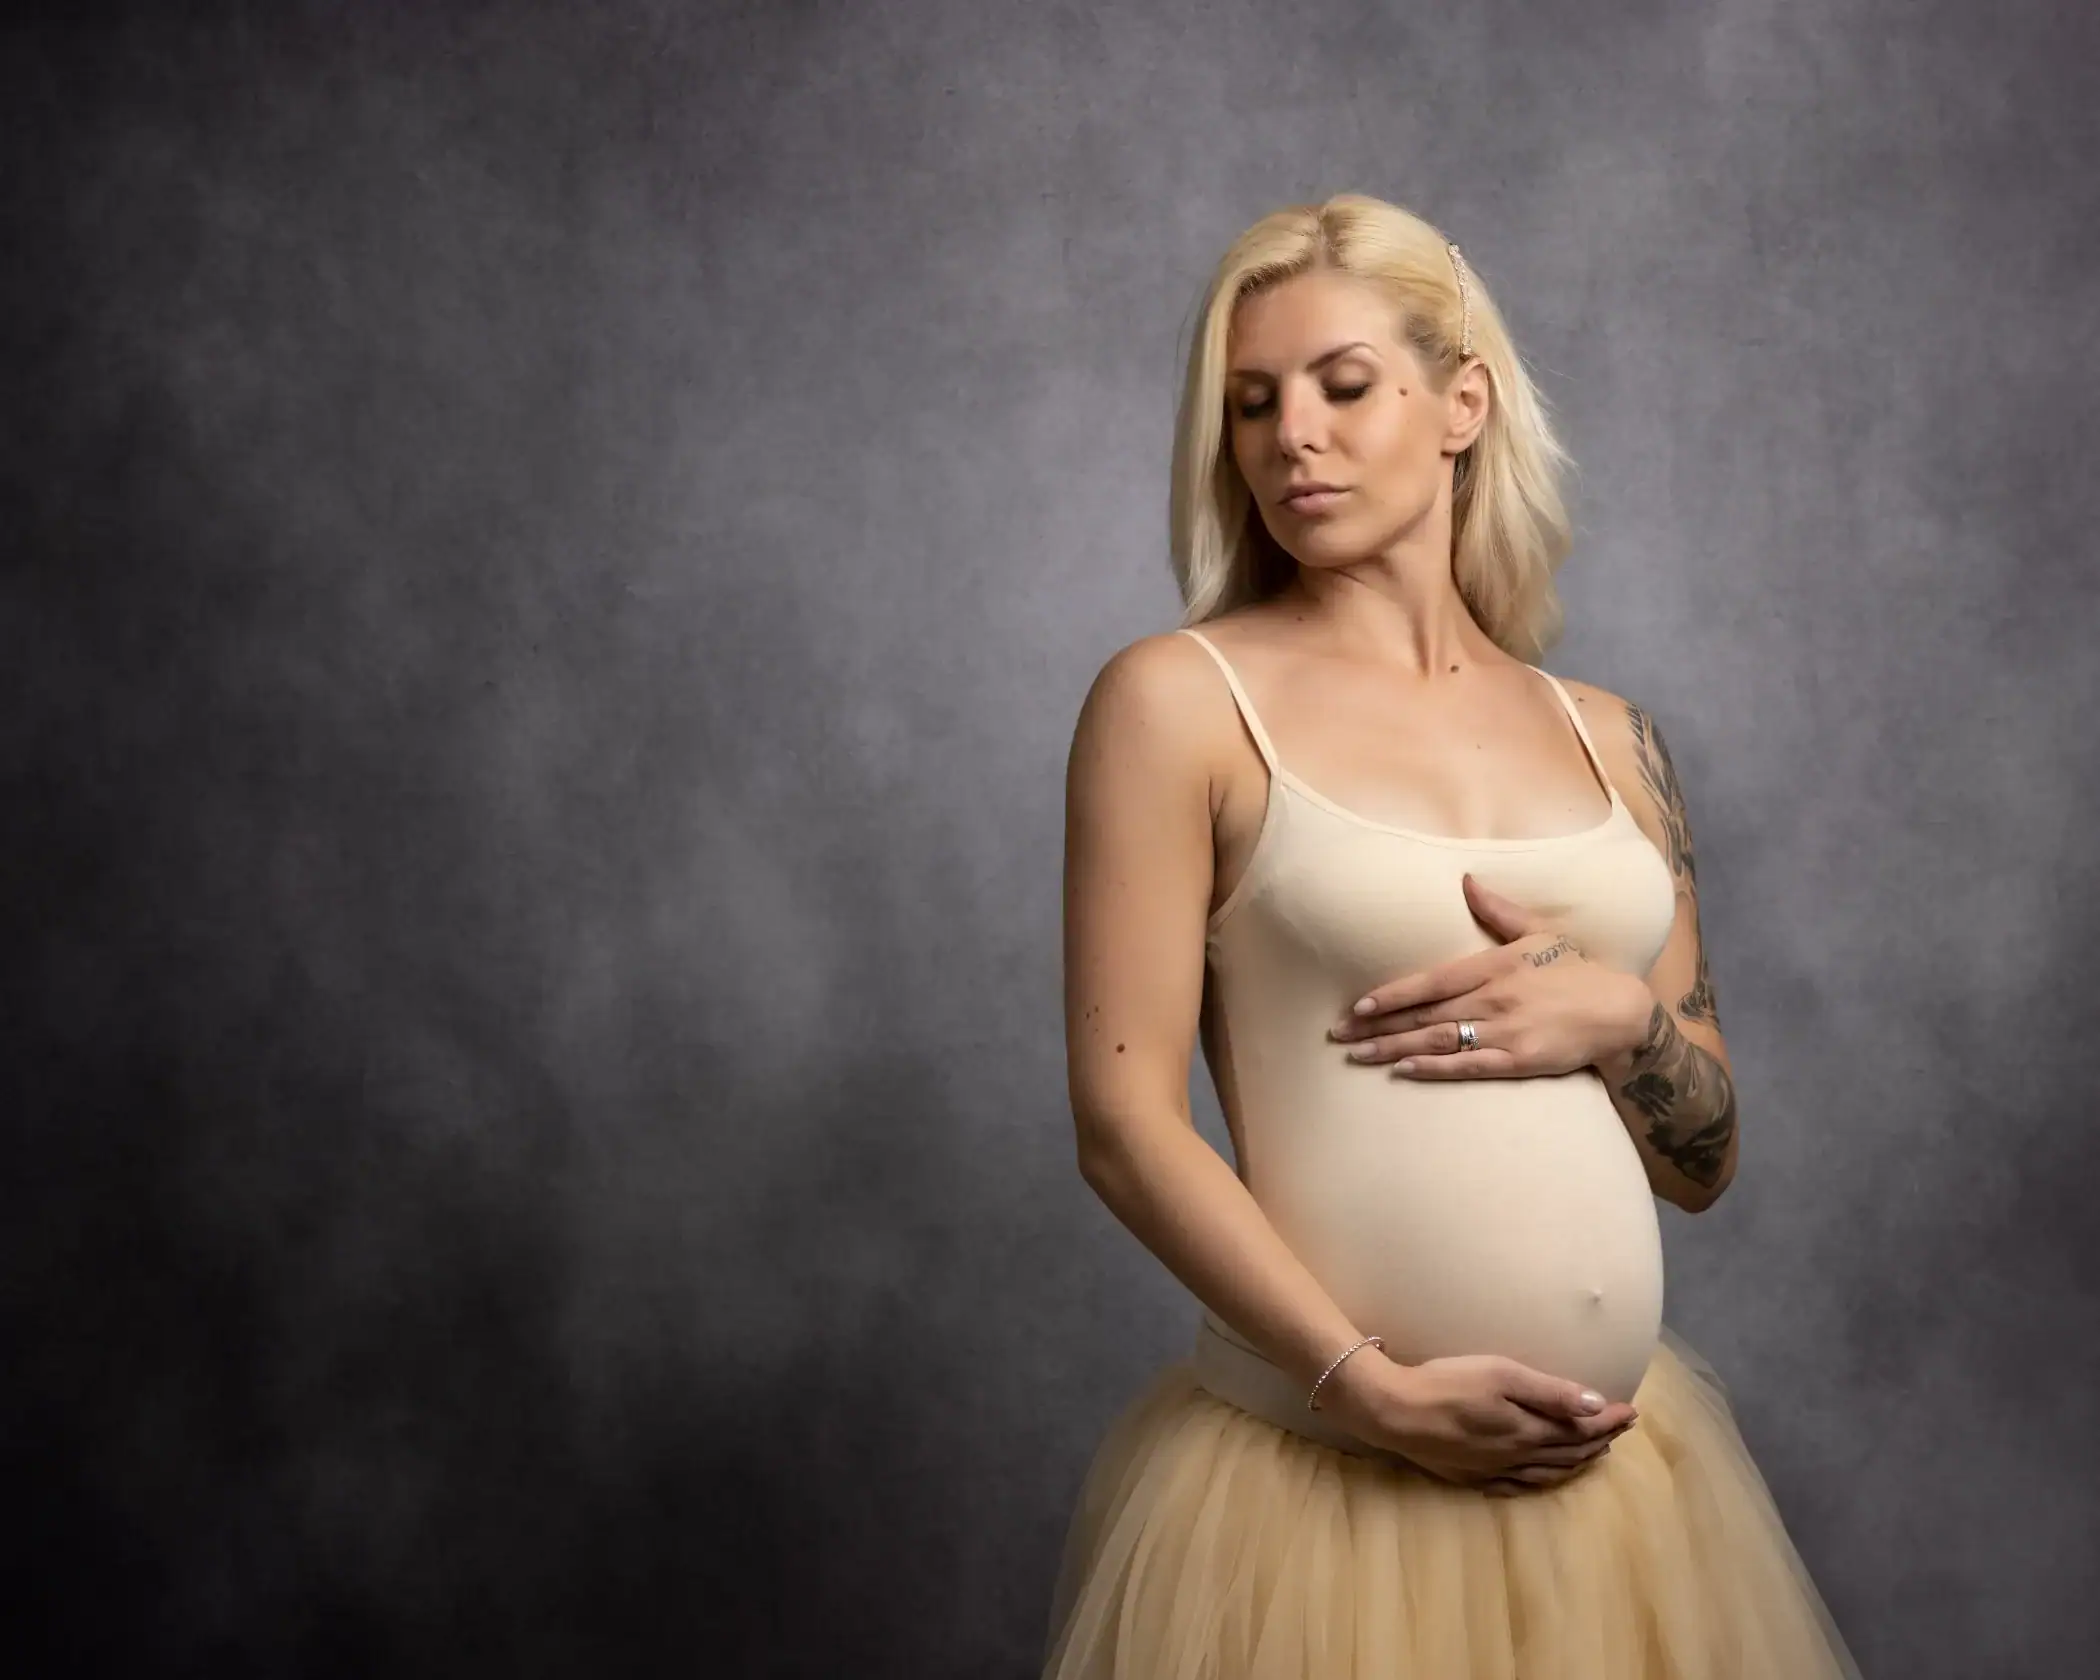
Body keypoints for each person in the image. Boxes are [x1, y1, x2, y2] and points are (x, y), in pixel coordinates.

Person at [1044, 193, 1862, 1678]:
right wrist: (1368, 1390)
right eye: (1252, 403)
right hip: (1322, 1490)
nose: (1292, 437)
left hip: (1617, 1510)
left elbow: (1704, 1168)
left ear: (1462, 405)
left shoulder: (1611, 739)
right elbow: (1123, 1127)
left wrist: (1618, 1020)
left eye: (1344, 386)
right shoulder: (1178, 704)